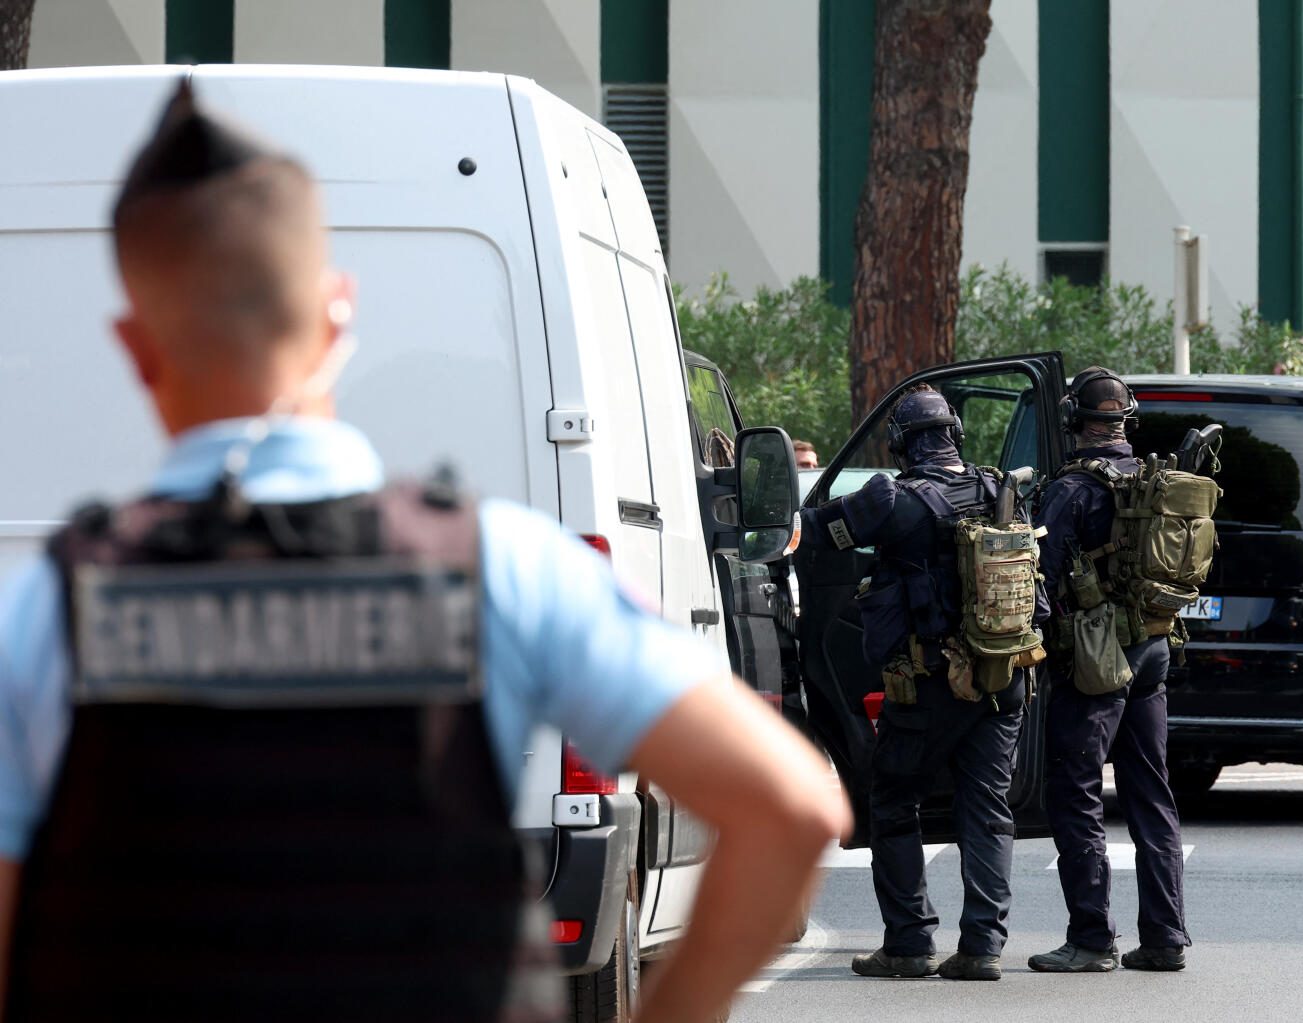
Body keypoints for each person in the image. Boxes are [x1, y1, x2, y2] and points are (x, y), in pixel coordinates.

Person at [0, 81, 849, 1022]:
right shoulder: (503, 572)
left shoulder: (50, 614)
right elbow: (791, 809)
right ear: (337, 312)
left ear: (134, 345)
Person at [796, 385, 1043, 982]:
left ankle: (908, 944)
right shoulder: (997, 488)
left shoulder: (889, 497)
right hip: (1001, 677)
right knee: (986, 811)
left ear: (902, 443)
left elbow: (813, 535)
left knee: (892, 797)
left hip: (931, 682)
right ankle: (982, 947)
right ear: (953, 433)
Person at [1029, 367, 1190, 974]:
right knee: (1152, 795)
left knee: (1076, 795)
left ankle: (1092, 938)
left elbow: (1038, 576)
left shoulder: (1072, 488)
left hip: (1094, 660)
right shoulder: (1157, 479)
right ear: (1126, 417)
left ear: (1075, 420)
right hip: (1153, 648)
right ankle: (1166, 938)